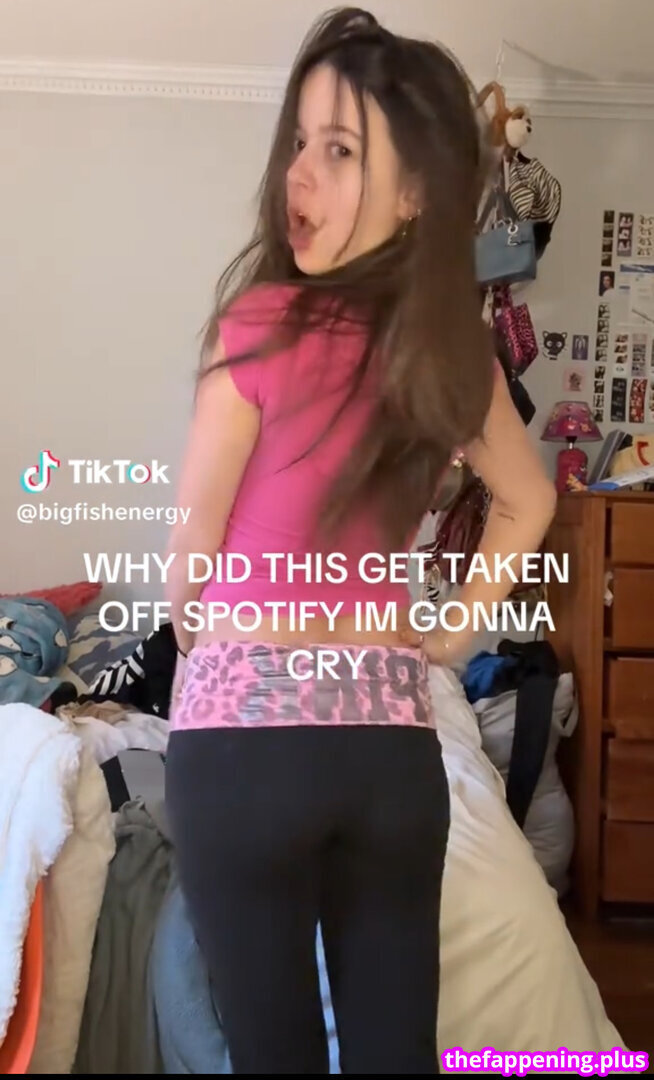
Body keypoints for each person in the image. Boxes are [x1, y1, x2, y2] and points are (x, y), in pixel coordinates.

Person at [164, 7, 557, 1074]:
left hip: (242, 750)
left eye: (340, 151)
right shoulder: (453, 354)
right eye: (300, 142)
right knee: (394, 1054)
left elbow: (195, 533)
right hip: (385, 749)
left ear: (416, 191)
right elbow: (529, 501)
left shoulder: (255, 327)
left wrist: (188, 618)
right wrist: (448, 639)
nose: (299, 173)